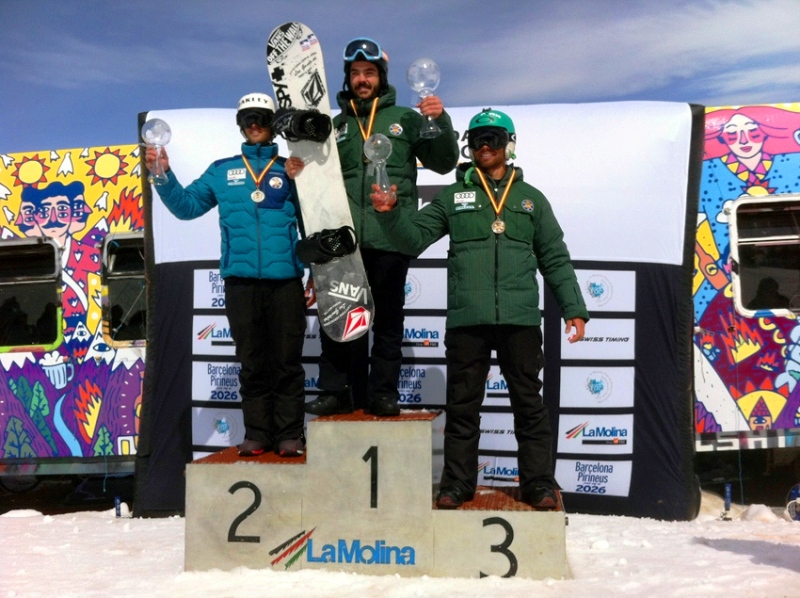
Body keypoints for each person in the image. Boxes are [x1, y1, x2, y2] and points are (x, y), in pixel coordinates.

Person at [370, 108, 589, 509]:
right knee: (463, 408)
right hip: (467, 319)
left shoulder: (530, 199)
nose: (484, 146)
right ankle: (456, 485)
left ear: (510, 144)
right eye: (476, 140)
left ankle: (538, 484)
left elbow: (554, 257)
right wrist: (390, 214)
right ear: (467, 148)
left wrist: (573, 305)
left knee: (529, 407)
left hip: (520, 319)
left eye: (493, 138)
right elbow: (413, 239)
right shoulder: (453, 197)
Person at [144, 92, 310, 458]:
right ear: (240, 124)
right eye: (248, 118)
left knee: (286, 362)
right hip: (239, 282)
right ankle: (257, 433)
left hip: (285, 281)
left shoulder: (291, 168)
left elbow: (312, 224)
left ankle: (289, 434)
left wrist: (315, 272)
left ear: (273, 126)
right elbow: (186, 208)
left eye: (262, 119)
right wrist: (162, 174)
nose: (255, 125)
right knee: (251, 362)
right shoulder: (221, 171)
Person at [304, 37, 460, 417]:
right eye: (355, 73)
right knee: (340, 317)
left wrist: (439, 120)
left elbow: (444, 163)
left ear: (381, 77)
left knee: (388, 321)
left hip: (390, 236)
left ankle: (383, 392)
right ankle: (337, 390)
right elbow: (318, 185)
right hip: (344, 242)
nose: (362, 79)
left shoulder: (408, 118)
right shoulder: (335, 126)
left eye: (369, 73)